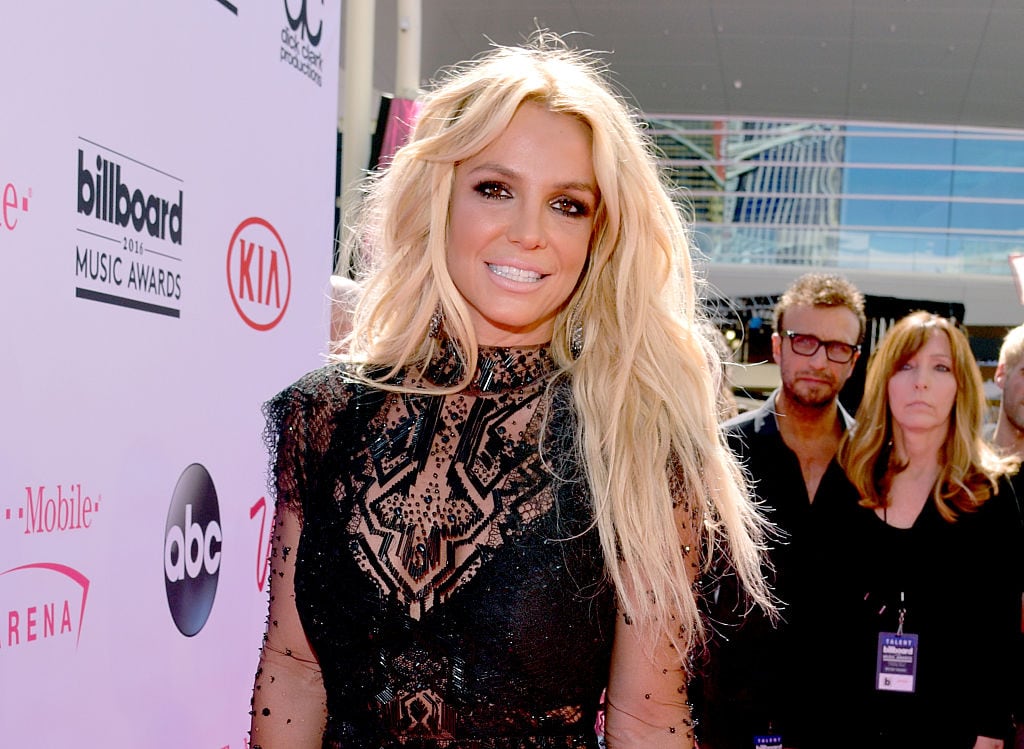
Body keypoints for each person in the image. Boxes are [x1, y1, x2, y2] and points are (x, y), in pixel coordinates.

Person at [249, 34, 772, 749]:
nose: (530, 233)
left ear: (600, 234)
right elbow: (293, 669)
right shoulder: (324, 415)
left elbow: (647, 716)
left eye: (568, 205)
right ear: (440, 196)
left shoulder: (636, 437)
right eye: (495, 189)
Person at [795, 311, 1021, 749]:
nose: (921, 382)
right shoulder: (848, 478)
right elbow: (812, 616)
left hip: (948, 731)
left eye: (940, 368)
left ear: (960, 386)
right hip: (844, 726)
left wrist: (990, 733)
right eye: (906, 366)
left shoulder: (987, 493)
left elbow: (1000, 633)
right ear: (885, 382)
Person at [694, 272, 865, 749]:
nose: (819, 360)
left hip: (846, 717)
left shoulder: (876, 462)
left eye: (837, 347)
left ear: (854, 361)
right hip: (735, 716)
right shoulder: (723, 452)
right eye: (804, 341)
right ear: (778, 346)